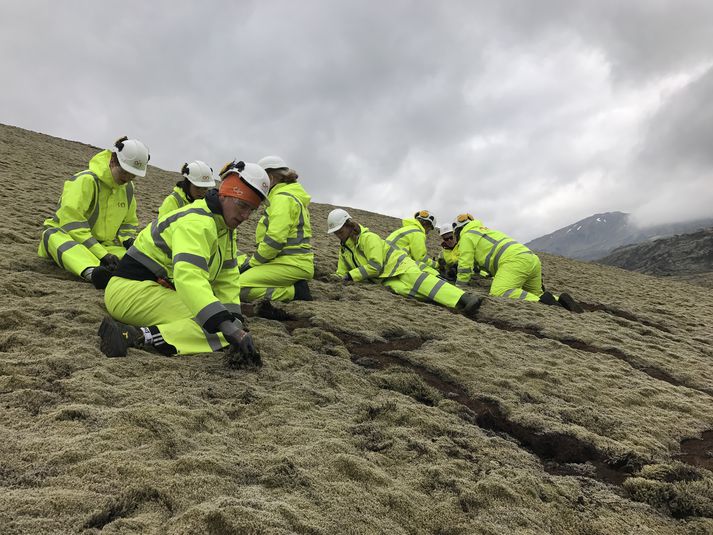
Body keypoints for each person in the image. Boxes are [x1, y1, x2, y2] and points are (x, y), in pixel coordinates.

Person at [97, 161, 270, 359]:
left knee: (224, 324)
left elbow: (227, 279)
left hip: (152, 290)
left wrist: (235, 321)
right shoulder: (198, 222)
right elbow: (189, 276)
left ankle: (144, 334)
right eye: (242, 205)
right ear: (224, 194)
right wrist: (227, 326)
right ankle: (133, 335)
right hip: (130, 292)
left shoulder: (224, 228)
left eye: (252, 210)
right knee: (216, 327)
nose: (246, 215)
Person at [38, 136, 149, 288]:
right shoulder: (85, 181)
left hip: (105, 245)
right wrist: (103, 255)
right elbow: (72, 224)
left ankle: (114, 273)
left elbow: (128, 223)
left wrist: (128, 241)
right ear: (113, 161)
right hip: (69, 237)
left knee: (136, 259)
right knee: (52, 237)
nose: (128, 178)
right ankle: (93, 273)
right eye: (125, 171)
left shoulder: (128, 189)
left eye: (133, 175)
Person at [327, 209, 482, 315]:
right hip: (386, 276)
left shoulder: (368, 238)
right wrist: (339, 277)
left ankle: (465, 298)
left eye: (340, 231)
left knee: (423, 282)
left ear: (349, 226)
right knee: (408, 292)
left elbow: (375, 265)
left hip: (400, 265)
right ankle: (453, 303)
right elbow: (342, 272)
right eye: (336, 233)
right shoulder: (345, 249)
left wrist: (351, 275)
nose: (339, 236)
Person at [452, 213, 583, 312]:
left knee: (500, 291)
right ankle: (559, 300)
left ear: (457, 230)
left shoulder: (467, 236)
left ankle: (543, 302)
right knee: (536, 292)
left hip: (514, 261)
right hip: (531, 258)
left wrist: (460, 285)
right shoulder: (486, 231)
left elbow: (465, 264)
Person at [237, 155, 314, 302]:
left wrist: (253, 263)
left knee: (236, 286)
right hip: (285, 261)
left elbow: (275, 239)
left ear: (270, 178)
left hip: (291, 263)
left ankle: (294, 292)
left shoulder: (282, 199)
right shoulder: (286, 196)